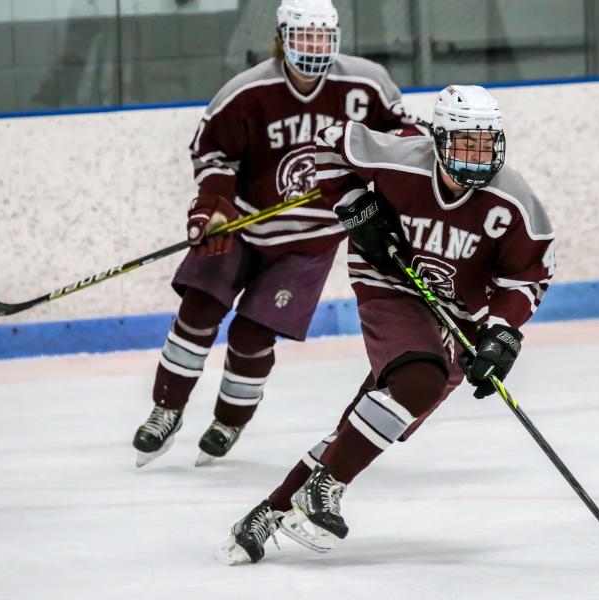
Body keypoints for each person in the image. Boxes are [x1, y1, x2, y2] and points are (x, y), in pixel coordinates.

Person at [217, 84, 556, 564]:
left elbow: (528, 275)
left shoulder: (513, 201)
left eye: (485, 143)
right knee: (418, 381)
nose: (476, 155)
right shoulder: (398, 157)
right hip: (389, 283)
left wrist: (502, 333)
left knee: (373, 419)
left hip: (458, 316)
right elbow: (329, 142)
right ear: (438, 139)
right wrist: (354, 202)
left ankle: (269, 512)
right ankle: (326, 490)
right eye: (464, 142)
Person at [131, 0, 425, 468]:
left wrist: (413, 146)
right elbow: (212, 155)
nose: (313, 48)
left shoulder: (365, 84)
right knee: (198, 312)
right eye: (304, 37)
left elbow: (396, 139)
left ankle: (229, 420)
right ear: (282, 38)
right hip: (244, 226)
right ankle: (166, 409)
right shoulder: (247, 92)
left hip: (309, 245)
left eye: (322, 38)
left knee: (252, 336)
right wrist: (213, 206)